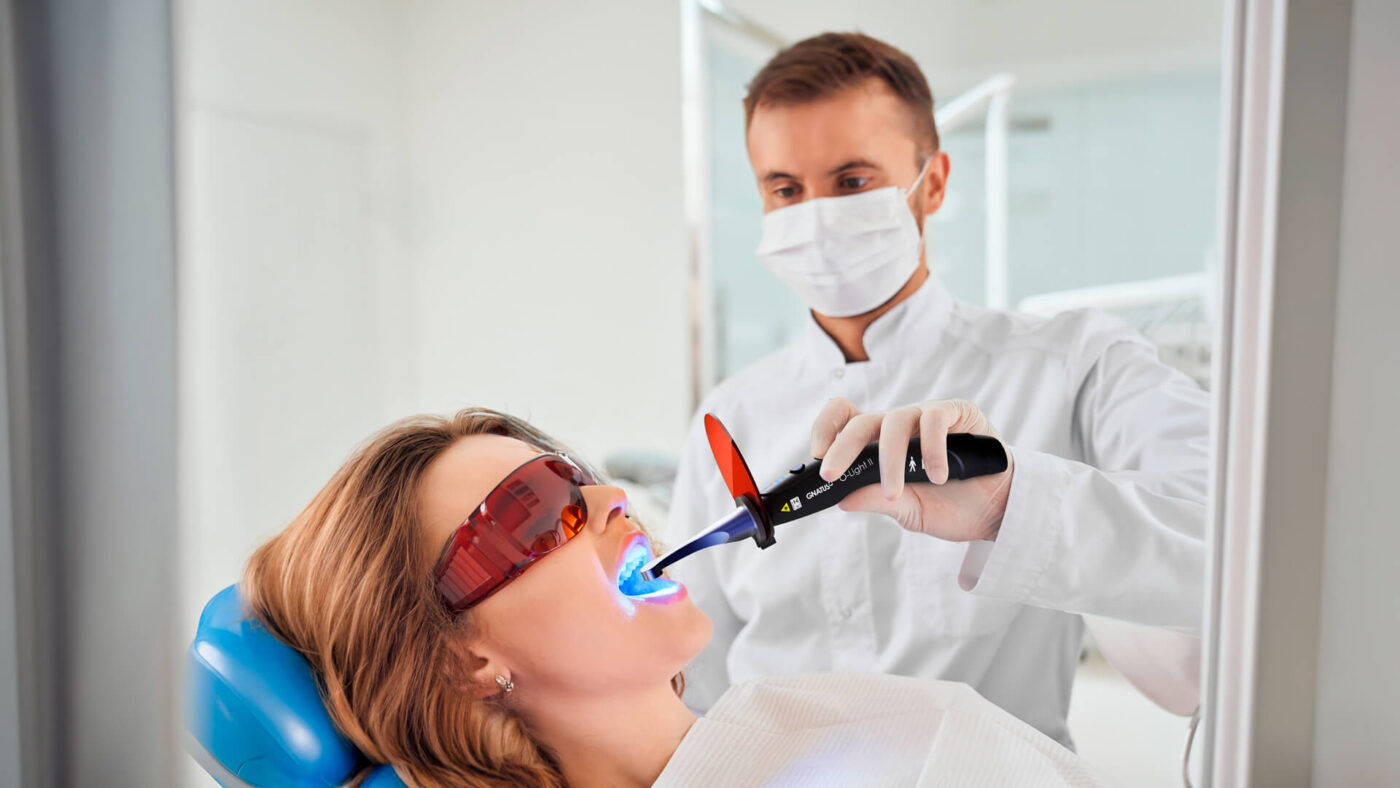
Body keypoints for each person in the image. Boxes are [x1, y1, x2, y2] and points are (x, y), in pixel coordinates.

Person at [668, 32, 1208, 746]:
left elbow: (1238, 539)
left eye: (853, 181)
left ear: (936, 180)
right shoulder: (728, 417)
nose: (816, 216)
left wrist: (1010, 504)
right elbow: (694, 688)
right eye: (786, 190)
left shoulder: (1074, 362)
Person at [242, 408, 1108, 787]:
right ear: (462, 657)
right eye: (536, 512)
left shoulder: (902, 740)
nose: (611, 502)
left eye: (580, 477)